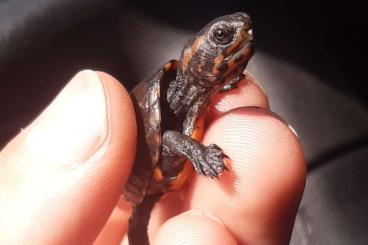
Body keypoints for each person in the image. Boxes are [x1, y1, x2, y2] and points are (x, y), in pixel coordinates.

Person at [0, 70, 306, 244]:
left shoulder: (192, 93)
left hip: (163, 172)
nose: (241, 35)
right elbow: (169, 138)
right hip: (144, 172)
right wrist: (199, 154)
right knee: (141, 216)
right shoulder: (172, 92)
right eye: (222, 37)